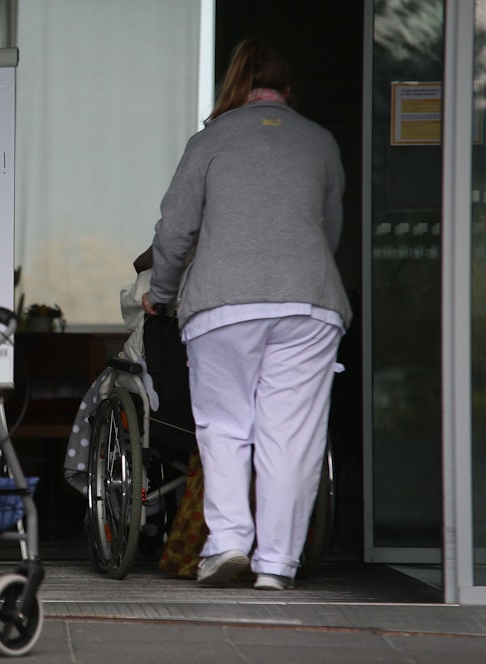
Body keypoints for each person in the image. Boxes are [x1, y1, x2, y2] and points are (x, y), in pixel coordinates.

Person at [142, 38, 351, 592]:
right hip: (309, 301)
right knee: (292, 437)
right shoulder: (319, 141)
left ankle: (228, 543)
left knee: (226, 427)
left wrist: (161, 292)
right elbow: (329, 232)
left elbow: (174, 229)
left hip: (223, 303)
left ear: (234, 88)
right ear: (288, 92)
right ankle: (276, 566)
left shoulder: (211, 140)